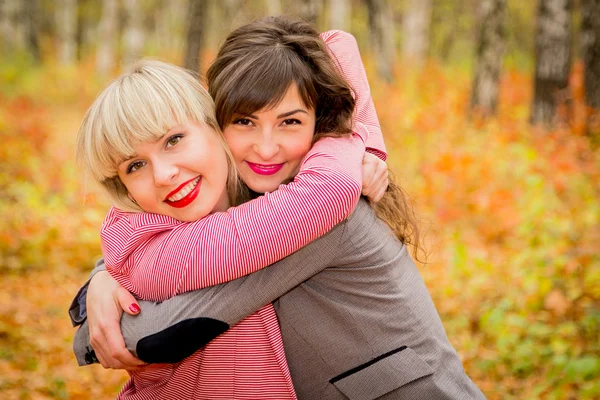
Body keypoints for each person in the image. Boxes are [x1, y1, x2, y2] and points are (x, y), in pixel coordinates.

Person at [72, 16, 486, 399]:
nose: (163, 174)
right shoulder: (272, 203)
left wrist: (351, 138)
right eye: (136, 165)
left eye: (173, 139)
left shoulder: (317, 212)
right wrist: (105, 277)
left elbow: (148, 330)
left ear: (208, 123)